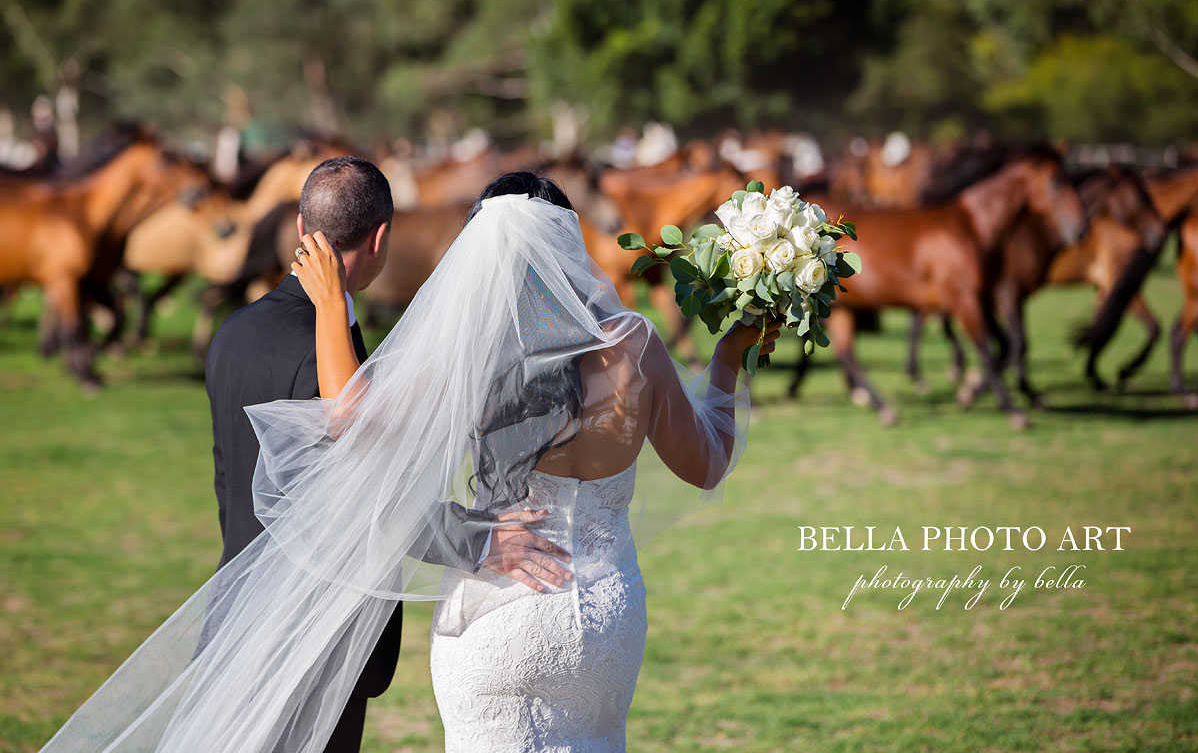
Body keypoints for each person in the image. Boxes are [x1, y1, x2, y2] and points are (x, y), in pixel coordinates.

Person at [38, 170, 776, 753]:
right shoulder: (636, 344)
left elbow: (349, 416)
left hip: (496, 614)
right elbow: (706, 464)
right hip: (603, 620)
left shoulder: (471, 348)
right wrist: (726, 361)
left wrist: (331, 303)